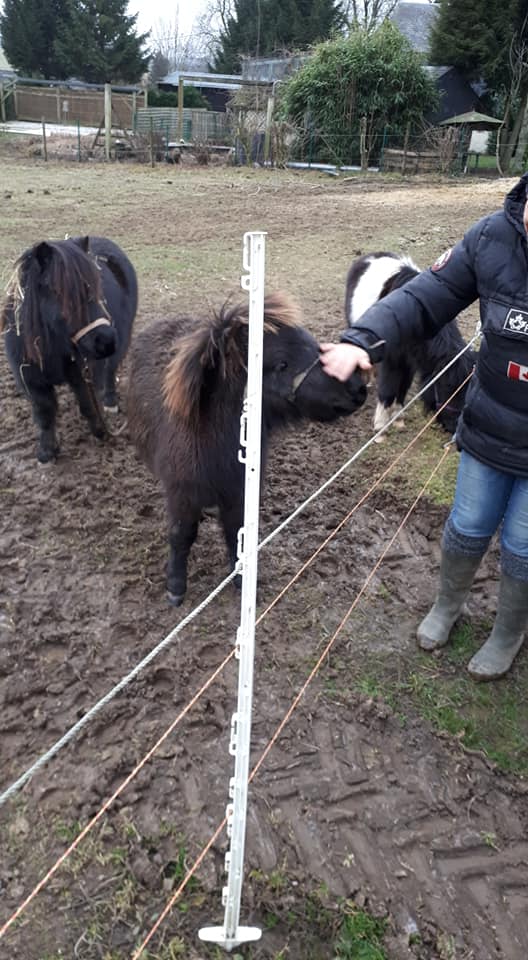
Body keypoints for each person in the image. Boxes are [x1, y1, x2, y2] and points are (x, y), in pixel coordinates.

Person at [320, 173, 528, 682]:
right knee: (468, 523)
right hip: (489, 425)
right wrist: (362, 338)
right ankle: (447, 605)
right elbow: (424, 296)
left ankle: (508, 632)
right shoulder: (491, 238)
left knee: (523, 545)